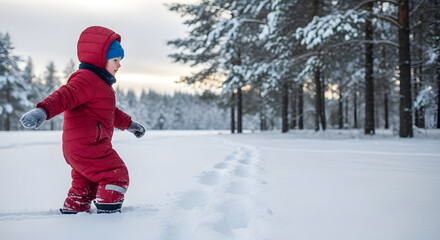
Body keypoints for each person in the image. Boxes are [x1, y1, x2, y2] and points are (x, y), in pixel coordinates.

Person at [20, 26, 145, 214]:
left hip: (78, 148)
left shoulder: (100, 84)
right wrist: (43, 111)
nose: (119, 65)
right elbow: (64, 96)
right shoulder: (86, 79)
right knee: (115, 174)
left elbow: (110, 112)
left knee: (85, 184)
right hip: (90, 146)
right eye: (115, 60)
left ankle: (74, 213)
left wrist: (130, 125)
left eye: (120, 61)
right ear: (100, 59)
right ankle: (109, 214)